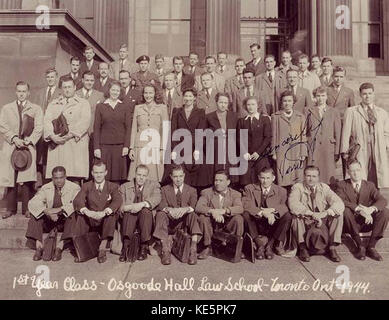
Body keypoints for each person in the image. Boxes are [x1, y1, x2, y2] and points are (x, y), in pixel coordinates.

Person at [0, 81, 43, 219]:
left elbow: (39, 127)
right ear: (15, 92)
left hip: (27, 145)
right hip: (11, 145)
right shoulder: (7, 108)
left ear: (28, 93)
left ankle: (27, 208)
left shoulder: (35, 108)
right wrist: (13, 138)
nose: (21, 94)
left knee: (27, 179)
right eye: (19, 91)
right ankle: (10, 208)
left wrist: (29, 140)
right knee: (10, 177)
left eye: (24, 91)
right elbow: (3, 126)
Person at [289, 166, 345, 262]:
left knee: (338, 214)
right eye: (308, 176)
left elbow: (339, 203)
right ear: (304, 176)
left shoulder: (324, 188)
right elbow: (293, 204)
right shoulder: (297, 187)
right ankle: (303, 248)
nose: (311, 179)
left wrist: (325, 213)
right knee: (295, 216)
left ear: (318, 177)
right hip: (306, 219)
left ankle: (332, 247)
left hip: (323, 219)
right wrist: (311, 214)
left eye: (314, 176)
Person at [336, 160, 389, 261]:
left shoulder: (369, 185)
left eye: (357, 170)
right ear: (348, 172)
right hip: (349, 224)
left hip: (366, 222)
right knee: (345, 210)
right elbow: (340, 200)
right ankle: (360, 246)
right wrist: (359, 209)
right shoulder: (341, 185)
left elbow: (382, 200)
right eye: (352, 171)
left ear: (361, 171)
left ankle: (371, 246)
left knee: (385, 211)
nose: (355, 173)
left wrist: (370, 209)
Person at [26, 166, 80, 261]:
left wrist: (58, 210)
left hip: (64, 221)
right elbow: (33, 202)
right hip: (50, 219)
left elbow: (76, 204)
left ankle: (59, 247)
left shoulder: (74, 188)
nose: (59, 181)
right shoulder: (46, 187)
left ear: (65, 177)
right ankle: (39, 247)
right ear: (52, 178)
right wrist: (46, 211)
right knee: (35, 215)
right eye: (56, 178)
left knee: (74, 215)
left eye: (61, 177)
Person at [341, 83, 389, 189]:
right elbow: (346, 133)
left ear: (374, 94)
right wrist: (345, 151)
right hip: (360, 148)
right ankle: (361, 200)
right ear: (360, 95)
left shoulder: (382, 113)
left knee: (376, 174)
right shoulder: (352, 112)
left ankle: (375, 200)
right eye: (364, 94)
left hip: (377, 149)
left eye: (370, 93)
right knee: (360, 174)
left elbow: (386, 133)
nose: (367, 96)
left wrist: (385, 146)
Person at [44, 76, 91, 184]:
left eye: (69, 87)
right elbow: (47, 121)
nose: (67, 89)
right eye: (64, 87)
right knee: (58, 178)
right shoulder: (53, 103)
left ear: (75, 87)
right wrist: (52, 136)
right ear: (61, 89)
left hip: (75, 145)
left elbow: (85, 122)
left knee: (74, 178)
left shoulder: (83, 103)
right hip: (57, 146)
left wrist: (69, 135)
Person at [73, 160, 122, 263]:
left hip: (105, 220)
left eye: (101, 172)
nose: (98, 175)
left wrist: (105, 212)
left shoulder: (112, 186)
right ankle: (82, 248)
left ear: (106, 172)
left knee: (111, 214)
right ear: (92, 173)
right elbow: (78, 200)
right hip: (92, 218)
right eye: (96, 172)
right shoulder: (87, 186)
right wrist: (86, 211)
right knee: (81, 214)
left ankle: (102, 248)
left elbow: (118, 200)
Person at [154, 165, 201, 265]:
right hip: (170, 220)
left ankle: (193, 249)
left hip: (184, 222)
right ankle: (165, 250)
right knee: (160, 214)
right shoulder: (164, 189)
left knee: (192, 214)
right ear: (171, 176)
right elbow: (161, 204)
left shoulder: (191, 190)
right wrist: (169, 209)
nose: (178, 179)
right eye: (175, 177)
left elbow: (193, 205)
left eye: (180, 176)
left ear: (184, 176)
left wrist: (185, 209)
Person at [242, 167, 293, 259]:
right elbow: (246, 204)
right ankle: (259, 246)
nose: (265, 181)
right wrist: (262, 212)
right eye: (262, 178)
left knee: (287, 216)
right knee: (245, 214)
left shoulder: (281, 190)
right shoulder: (249, 188)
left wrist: (272, 211)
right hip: (256, 221)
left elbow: (284, 206)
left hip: (272, 222)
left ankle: (270, 245)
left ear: (273, 178)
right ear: (258, 177)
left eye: (268, 178)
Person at [195, 170, 244, 260]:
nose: (217, 183)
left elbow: (240, 208)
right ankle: (207, 247)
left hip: (227, 224)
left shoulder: (235, 194)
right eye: (216, 180)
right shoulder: (206, 192)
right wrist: (213, 212)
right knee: (203, 218)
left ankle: (236, 247)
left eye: (221, 181)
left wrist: (224, 211)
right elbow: (198, 207)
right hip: (212, 225)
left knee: (238, 218)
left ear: (228, 182)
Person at [119, 164, 161, 261]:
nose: (141, 178)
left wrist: (141, 204)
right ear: (135, 174)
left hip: (145, 217)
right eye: (139, 175)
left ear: (147, 176)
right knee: (129, 212)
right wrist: (131, 207)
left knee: (146, 211)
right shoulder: (125, 186)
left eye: (144, 175)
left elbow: (157, 198)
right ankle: (125, 247)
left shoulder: (154, 185)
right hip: (129, 217)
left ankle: (144, 246)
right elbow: (120, 205)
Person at [128, 85, 169, 182]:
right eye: (146, 93)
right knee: (138, 177)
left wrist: (162, 149)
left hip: (155, 147)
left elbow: (165, 130)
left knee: (153, 177)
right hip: (140, 147)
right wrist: (131, 148)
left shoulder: (162, 108)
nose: (148, 95)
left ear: (155, 94)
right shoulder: (138, 108)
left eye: (150, 93)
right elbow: (134, 129)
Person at [94, 81, 131, 183]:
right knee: (103, 176)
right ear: (109, 91)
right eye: (113, 90)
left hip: (119, 147)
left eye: (117, 90)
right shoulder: (101, 106)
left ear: (120, 92)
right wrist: (96, 147)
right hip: (104, 147)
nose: (115, 92)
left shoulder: (125, 106)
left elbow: (128, 128)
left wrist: (126, 146)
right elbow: (96, 128)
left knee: (117, 177)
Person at [170, 88, 208, 188]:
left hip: (194, 146)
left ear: (194, 98)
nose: (188, 98)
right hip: (180, 147)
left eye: (190, 96)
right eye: (186, 96)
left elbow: (201, 131)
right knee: (182, 173)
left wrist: (198, 149)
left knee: (198, 172)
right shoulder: (177, 111)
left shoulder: (200, 112)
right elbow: (173, 131)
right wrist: (174, 150)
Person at [271, 90, 307, 189]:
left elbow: (303, 136)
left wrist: (303, 152)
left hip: (296, 151)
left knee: (297, 177)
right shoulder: (276, 117)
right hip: (282, 151)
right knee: (283, 177)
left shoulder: (300, 116)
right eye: (285, 101)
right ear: (281, 103)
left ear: (293, 102)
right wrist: (274, 152)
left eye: (289, 101)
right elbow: (274, 135)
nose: (287, 103)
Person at [306, 87, 341, 185]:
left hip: (328, 147)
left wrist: (337, 150)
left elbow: (337, 132)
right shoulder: (308, 110)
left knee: (328, 174)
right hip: (313, 147)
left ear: (327, 97)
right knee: (313, 173)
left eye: (323, 96)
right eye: (318, 96)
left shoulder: (334, 111)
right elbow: (304, 130)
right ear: (314, 97)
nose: (320, 98)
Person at [205, 93, 238, 186]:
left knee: (230, 171)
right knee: (217, 171)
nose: (223, 105)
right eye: (220, 102)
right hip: (215, 149)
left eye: (225, 102)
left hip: (230, 148)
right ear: (216, 102)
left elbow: (237, 134)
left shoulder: (234, 116)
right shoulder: (209, 117)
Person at [237, 96, 271, 186]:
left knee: (262, 181)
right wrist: (244, 152)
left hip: (261, 156)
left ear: (258, 106)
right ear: (245, 106)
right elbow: (239, 138)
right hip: (247, 157)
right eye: (248, 105)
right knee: (246, 182)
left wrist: (258, 152)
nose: (250, 107)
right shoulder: (242, 121)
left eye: (253, 104)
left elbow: (267, 138)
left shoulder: (264, 119)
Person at [76, 71, 105, 176]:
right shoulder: (76, 94)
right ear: (82, 80)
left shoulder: (100, 95)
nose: (89, 82)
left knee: (92, 161)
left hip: (93, 133)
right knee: (78, 161)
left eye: (92, 80)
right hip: (78, 134)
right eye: (87, 80)